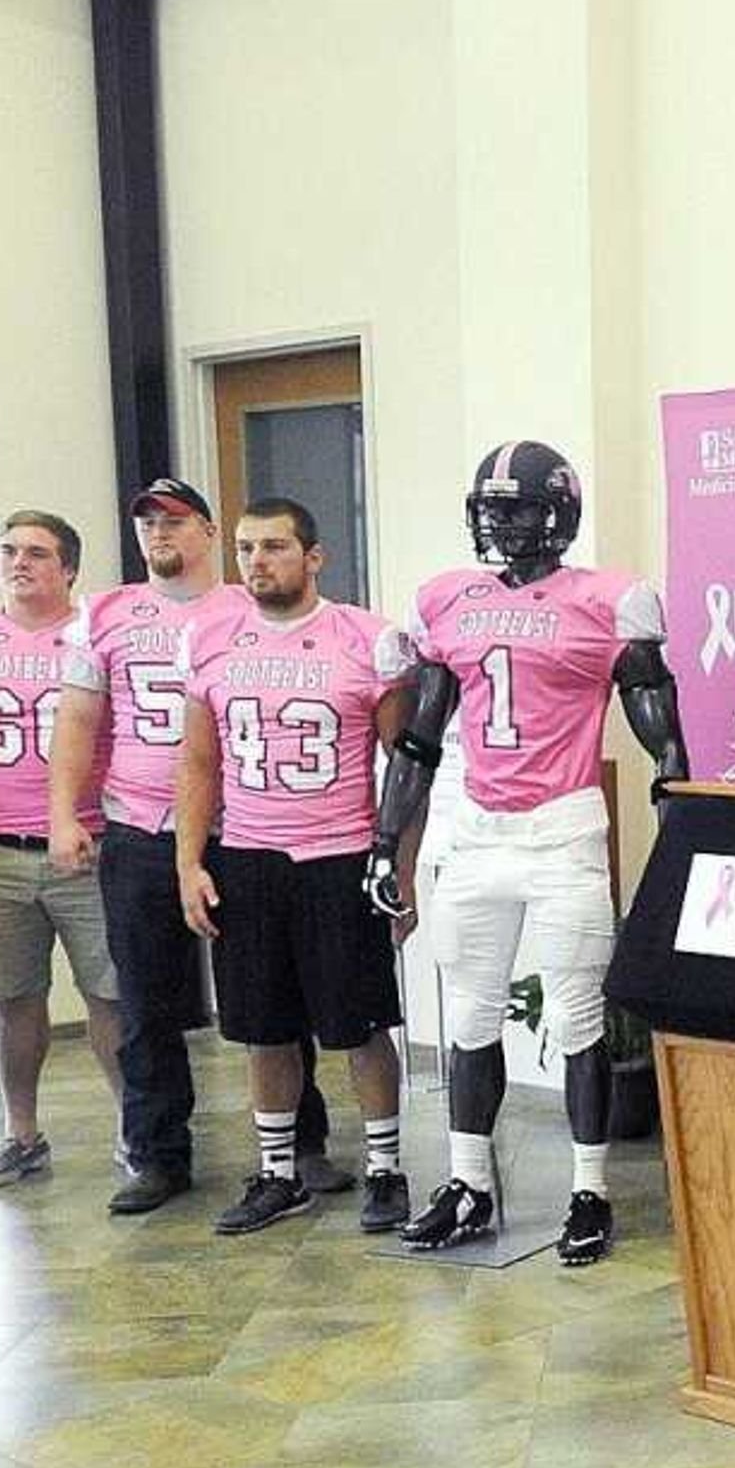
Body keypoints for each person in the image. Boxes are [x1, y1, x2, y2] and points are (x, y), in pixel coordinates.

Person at [373, 440, 687, 1265]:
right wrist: (385, 839)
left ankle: (591, 1189)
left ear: (559, 512)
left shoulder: (608, 599)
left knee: (581, 1021)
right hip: (476, 830)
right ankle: (469, 1182)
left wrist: (672, 771)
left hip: (561, 828)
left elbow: (650, 691)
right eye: (489, 508)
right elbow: (420, 737)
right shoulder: (447, 599)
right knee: (471, 1017)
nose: (498, 523)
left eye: (515, 507)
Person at [50, 477, 340, 1216]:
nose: (159, 536)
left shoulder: (251, 607)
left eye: (175, 522)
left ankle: (302, 1144)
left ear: (208, 533)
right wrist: (63, 814)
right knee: (142, 998)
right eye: (147, 523)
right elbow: (79, 722)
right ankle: (157, 1153)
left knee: (275, 993)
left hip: (241, 831)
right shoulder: (104, 615)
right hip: (141, 829)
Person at [173, 498, 417, 1236]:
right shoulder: (210, 637)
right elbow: (198, 761)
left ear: (314, 557)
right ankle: (278, 1173)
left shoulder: (368, 639)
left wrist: (398, 869)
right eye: (245, 548)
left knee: (361, 1025)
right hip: (249, 855)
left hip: (338, 857)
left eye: (274, 547)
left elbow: (403, 767)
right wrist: (189, 861)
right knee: (263, 1027)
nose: (256, 562)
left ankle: (385, 1168)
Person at [0, 509, 124, 1190]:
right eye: (10, 550)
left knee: (111, 995)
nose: (20, 563)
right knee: (12, 998)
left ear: (68, 568)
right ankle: (21, 1133)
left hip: (89, 842)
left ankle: (137, 1130)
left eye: (37, 553)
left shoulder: (97, 634)